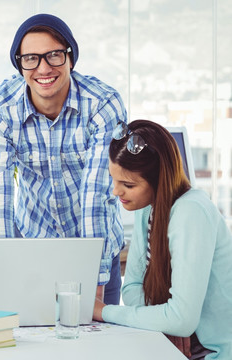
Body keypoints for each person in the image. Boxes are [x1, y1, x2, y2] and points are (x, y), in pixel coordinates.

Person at [0, 13, 127, 304]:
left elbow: (96, 197)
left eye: (54, 55)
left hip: (96, 251)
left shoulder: (103, 104)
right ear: (19, 64)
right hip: (34, 248)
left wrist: (93, 288)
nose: (43, 68)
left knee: (97, 344)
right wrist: (5, 279)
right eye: (31, 58)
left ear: (70, 58)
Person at [93, 120, 232, 359]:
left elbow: (182, 321)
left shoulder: (191, 211)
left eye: (127, 184)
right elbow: (132, 288)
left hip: (210, 353)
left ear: (159, 179)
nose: (116, 192)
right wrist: (165, 316)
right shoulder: (146, 208)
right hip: (170, 344)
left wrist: (104, 312)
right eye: (113, 179)